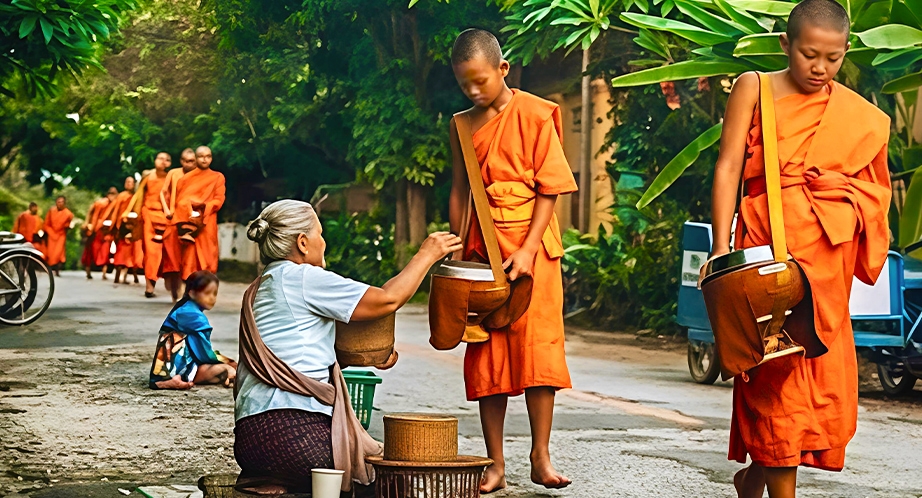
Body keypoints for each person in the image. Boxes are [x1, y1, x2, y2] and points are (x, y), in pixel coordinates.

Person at [707, 1, 891, 497]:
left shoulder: (857, 116)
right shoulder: (756, 87)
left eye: (832, 58)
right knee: (773, 372)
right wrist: (719, 246)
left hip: (826, 259)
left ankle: (756, 475)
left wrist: (848, 204)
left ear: (845, 52)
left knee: (814, 375)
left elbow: (875, 191)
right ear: (786, 44)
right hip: (766, 248)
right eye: (809, 54)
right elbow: (727, 167)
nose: (820, 68)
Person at [233, 200, 461, 495]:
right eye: (320, 233)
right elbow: (387, 300)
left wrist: (367, 354)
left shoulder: (261, 286)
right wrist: (426, 255)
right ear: (303, 243)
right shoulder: (303, 277)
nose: (323, 242)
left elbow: (302, 353)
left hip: (251, 443)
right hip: (294, 435)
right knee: (391, 481)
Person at [448, 28, 577, 493]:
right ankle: (494, 463)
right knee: (488, 358)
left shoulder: (537, 114)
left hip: (535, 247)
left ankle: (541, 456)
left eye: (481, 81)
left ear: (503, 69)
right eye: (466, 85)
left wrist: (526, 248)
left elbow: (551, 187)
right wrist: (459, 251)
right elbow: (461, 190)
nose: (475, 91)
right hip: (484, 250)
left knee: (539, 355)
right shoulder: (463, 124)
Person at [149, 270, 237, 390]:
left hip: (178, 365)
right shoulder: (193, 315)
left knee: (227, 368)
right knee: (227, 368)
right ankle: (167, 381)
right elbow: (205, 353)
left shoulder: (186, 309)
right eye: (207, 293)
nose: (212, 298)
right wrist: (227, 362)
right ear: (192, 293)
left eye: (214, 293)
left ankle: (174, 378)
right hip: (172, 367)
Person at [172, 146, 225, 281]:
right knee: (189, 259)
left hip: (207, 222)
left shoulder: (217, 177)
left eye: (208, 156)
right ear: (196, 158)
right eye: (201, 156)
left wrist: (205, 205)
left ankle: (204, 292)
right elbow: (180, 201)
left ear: (211, 158)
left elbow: (219, 199)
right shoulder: (185, 179)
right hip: (190, 224)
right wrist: (190, 207)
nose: (205, 159)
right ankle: (188, 293)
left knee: (208, 256)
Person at [128, 152, 171, 297]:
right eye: (160, 159)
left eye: (167, 160)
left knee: (164, 253)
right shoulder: (148, 177)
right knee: (150, 252)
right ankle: (149, 286)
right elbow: (138, 196)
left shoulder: (170, 178)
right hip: (148, 217)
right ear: (155, 161)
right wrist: (134, 215)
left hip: (166, 218)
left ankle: (163, 279)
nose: (163, 162)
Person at [161, 148, 198, 302]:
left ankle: (184, 290)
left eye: (192, 161)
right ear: (181, 161)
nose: (189, 164)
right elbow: (163, 192)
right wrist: (167, 209)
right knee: (172, 256)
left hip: (191, 222)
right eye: (186, 161)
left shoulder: (200, 176)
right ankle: (174, 291)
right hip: (173, 219)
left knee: (188, 259)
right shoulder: (174, 173)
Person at [110, 176, 138, 284]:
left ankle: (128, 276)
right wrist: (114, 225)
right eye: (127, 182)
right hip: (121, 225)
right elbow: (116, 211)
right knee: (120, 250)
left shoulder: (136, 196)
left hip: (133, 225)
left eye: (131, 182)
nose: (128, 184)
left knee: (132, 251)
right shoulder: (121, 196)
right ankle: (118, 275)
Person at [43, 196, 74, 277]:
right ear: (56, 203)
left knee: (59, 253)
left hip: (61, 235)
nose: (60, 204)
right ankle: (50, 269)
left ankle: (57, 270)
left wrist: (67, 227)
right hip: (51, 234)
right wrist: (49, 232)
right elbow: (46, 223)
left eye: (61, 202)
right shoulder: (51, 210)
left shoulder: (68, 214)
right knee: (50, 253)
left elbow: (68, 225)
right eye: (58, 202)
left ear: (64, 203)